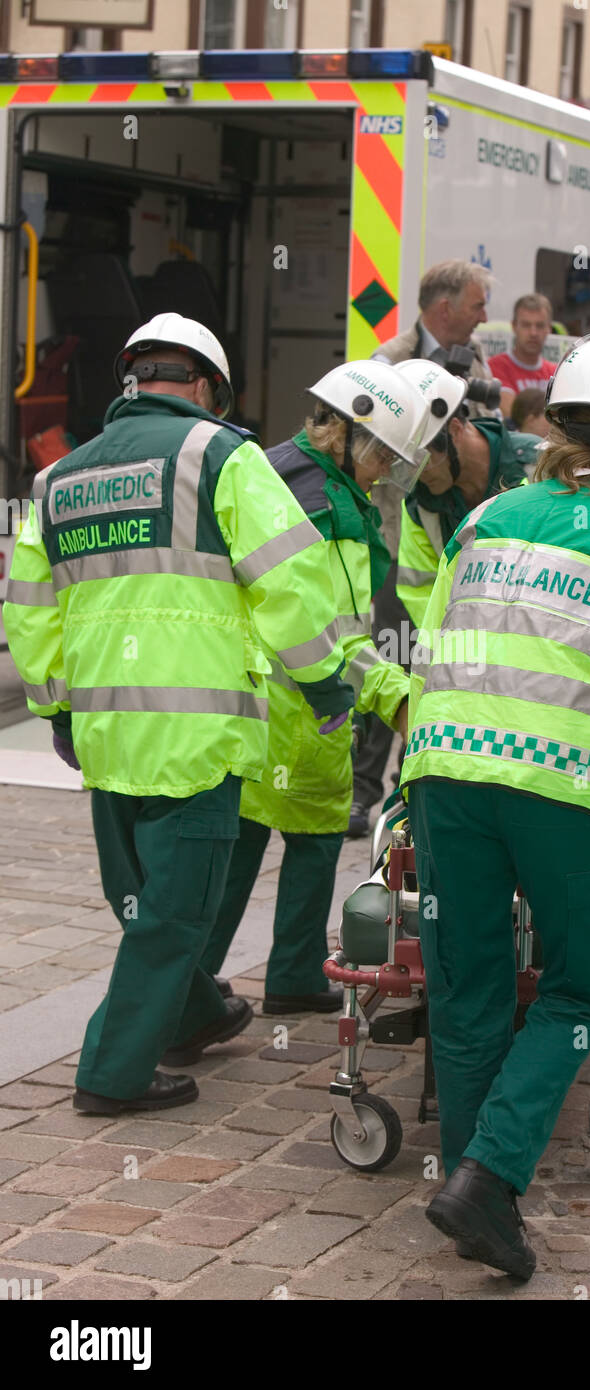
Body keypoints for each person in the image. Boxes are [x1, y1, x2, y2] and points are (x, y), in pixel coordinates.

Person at [3, 314, 354, 1113]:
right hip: (198, 736)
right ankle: (111, 1073)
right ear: (205, 387)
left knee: (141, 900)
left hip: (106, 734)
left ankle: (201, 1008)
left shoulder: (59, 478)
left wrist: (56, 706)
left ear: (134, 381)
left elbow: (27, 609)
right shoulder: (224, 457)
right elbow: (291, 582)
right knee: (172, 915)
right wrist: (328, 680)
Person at [401, 330, 590, 1280]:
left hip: (445, 764)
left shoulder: (485, 518)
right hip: (564, 787)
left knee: (470, 982)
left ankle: (470, 1181)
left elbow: (436, 638)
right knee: (577, 981)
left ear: (556, 426)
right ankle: (488, 1179)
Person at [200, 362, 461, 1013]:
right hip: (301, 705)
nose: (384, 474)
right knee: (306, 842)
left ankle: (207, 983)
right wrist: (393, 694)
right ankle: (263, 980)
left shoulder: (276, 472)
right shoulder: (329, 507)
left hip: (260, 696)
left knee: (244, 846)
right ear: (347, 435)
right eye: (382, 457)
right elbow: (333, 632)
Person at [348, 259, 495, 838]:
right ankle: (362, 792)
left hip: (454, 532)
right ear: (444, 309)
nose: (483, 317)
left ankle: (421, 784)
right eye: (476, 305)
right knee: (390, 657)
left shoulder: (476, 361)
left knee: (451, 662)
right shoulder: (387, 361)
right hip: (391, 536)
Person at [395, 394, 543, 628]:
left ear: (454, 430)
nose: (418, 473)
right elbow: (420, 591)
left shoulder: (540, 467)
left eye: (421, 459)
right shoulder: (420, 504)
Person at [487, 293, 556, 416]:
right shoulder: (494, 367)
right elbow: (516, 417)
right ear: (514, 326)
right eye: (526, 325)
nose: (533, 332)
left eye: (539, 325)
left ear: (549, 329)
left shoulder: (556, 373)